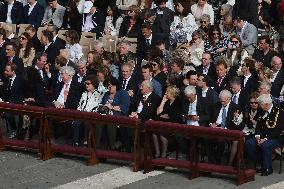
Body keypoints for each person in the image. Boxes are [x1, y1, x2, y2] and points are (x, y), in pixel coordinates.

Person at [246, 94, 284, 176]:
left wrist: (265, 139)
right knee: (249, 143)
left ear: (266, 104)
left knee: (265, 145)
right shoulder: (262, 111)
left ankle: (268, 168)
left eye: (260, 104)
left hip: (275, 138)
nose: (259, 106)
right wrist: (258, 136)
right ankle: (261, 160)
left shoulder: (280, 112)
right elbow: (258, 126)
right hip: (262, 136)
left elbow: (277, 130)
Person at [97, 78, 130, 150]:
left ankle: (112, 146)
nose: (109, 88)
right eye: (107, 86)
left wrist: (112, 107)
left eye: (111, 86)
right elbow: (103, 104)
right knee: (98, 123)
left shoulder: (122, 93)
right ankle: (98, 146)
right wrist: (102, 107)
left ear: (116, 85)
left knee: (110, 124)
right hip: (106, 116)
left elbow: (125, 107)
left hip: (119, 117)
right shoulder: (106, 94)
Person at [72, 75, 104, 146]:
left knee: (86, 123)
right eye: (85, 83)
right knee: (76, 123)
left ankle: (85, 142)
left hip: (90, 116)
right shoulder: (84, 94)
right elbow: (80, 105)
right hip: (81, 114)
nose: (86, 85)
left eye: (88, 84)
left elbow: (97, 107)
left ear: (94, 84)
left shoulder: (98, 94)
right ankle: (76, 142)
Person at [154, 85, 182, 158]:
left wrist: (165, 116)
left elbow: (174, 117)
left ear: (172, 93)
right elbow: (158, 113)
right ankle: (157, 153)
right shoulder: (166, 101)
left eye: (167, 92)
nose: (165, 93)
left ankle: (164, 153)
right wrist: (163, 102)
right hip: (164, 123)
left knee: (162, 133)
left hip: (174, 124)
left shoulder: (178, 102)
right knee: (154, 133)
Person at [1, 63, 24, 138]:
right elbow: (4, 93)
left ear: (13, 72)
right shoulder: (6, 79)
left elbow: (20, 97)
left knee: (8, 115)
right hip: (6, 104)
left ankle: (14, 130)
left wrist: (8, 104)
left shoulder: (20, 80)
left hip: (17, 103)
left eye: (7, 71)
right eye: (5, 70)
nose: (5, 72)